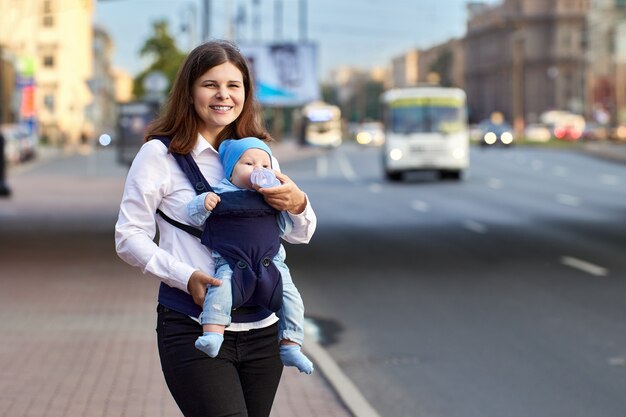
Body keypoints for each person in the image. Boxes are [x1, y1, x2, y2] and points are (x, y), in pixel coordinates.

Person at [115, 40, 316, 417]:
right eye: (210, 84)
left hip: (263, 331)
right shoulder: (160, 155)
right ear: (189, 92)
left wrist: (298, 203)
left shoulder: (258, 154)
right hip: (192, 327)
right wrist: (184, 275)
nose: (223, 95)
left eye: (234, 85)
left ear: (245, 93)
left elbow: (297, 233)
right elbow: (128, 236)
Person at [187, 137, 313, 375]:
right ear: (230, 172)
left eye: (265, 166)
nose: (258, 170)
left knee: (292, 299)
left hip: (272, 263)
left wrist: (290, 204)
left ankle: (291, 345)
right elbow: (193, 216)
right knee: (219, 292)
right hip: (231, 262)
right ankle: (213, 333)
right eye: (249, 164)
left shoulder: (273, 196)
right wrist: (204, 203)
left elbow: (287, 229)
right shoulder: (220, 192)